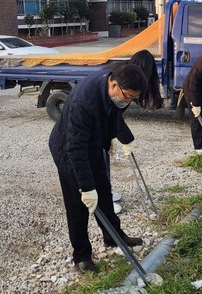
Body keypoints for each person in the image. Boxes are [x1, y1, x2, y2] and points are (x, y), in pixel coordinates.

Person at [49, 63, 148, 275]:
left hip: (91, 144)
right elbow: (75, 149)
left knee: (104, 191)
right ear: (114, 85)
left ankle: (113, 236)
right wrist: (86, 188)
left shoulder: (116, 90)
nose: (129, 101)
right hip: (68, 150)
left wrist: (111, 137)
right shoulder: (83, 101)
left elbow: (113, 114)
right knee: (78, 205)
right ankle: (82, 256)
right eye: (128, 96)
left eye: (133, 98)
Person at [108, 49, 162, 208]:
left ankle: (105, 192)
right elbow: (113, 114)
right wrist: (125, 139)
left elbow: (115, 115)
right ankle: (102, 200)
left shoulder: (131, 78)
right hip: (93, 120)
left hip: (105, 119)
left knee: (104, 158)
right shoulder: (122, 79)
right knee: (97, 159)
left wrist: (113, 134)